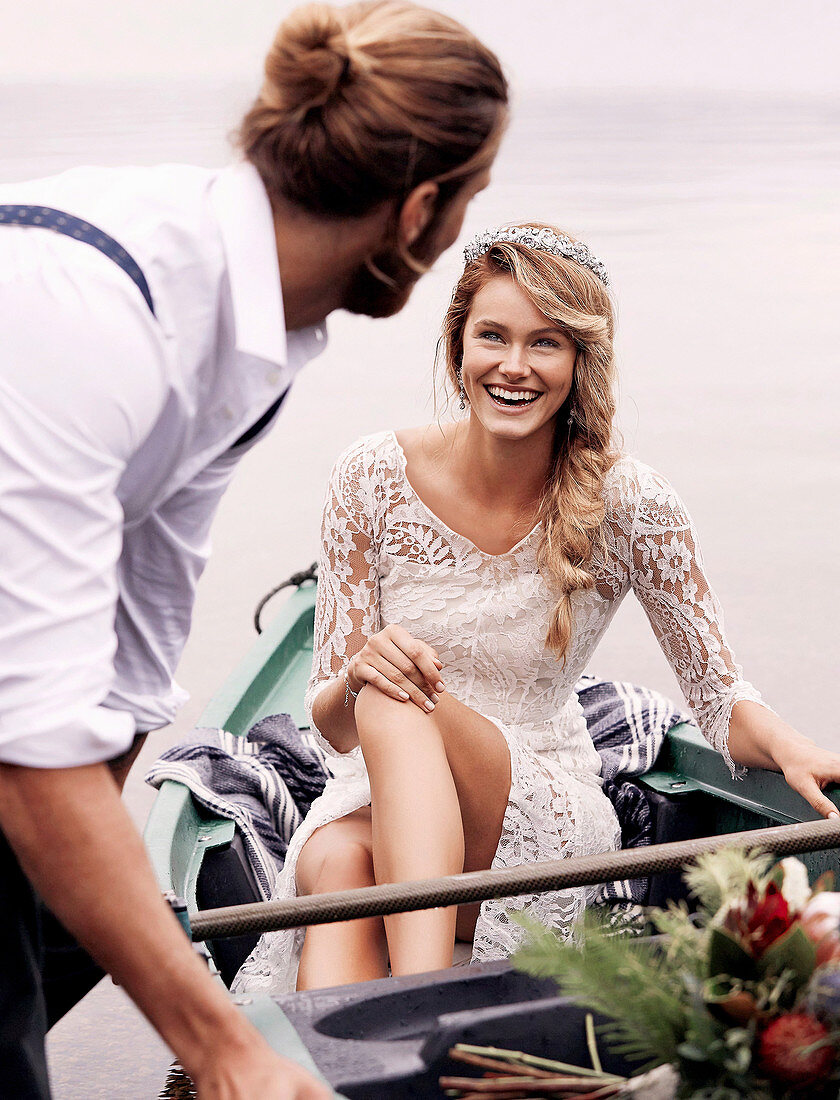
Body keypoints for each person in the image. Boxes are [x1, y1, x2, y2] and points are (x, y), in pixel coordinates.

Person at [0, 2, 508, 1096]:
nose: (457, 231)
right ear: (420, 209)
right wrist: (227, 1047)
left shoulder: (253, 333)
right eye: (467, 205)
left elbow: (132, 663)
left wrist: (88, 887)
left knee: (82, 926)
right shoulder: (88, 308)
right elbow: (31, 743)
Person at [233, 222, 840, 997]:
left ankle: (412, 1002)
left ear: (581, 360)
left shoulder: (631, 502)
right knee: (334, 860)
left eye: (546, 343)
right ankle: (363, 1061)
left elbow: (721, 702)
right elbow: (331, 723)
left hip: (530, 807)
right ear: (458, 348)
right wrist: (355, 674)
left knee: (395, 694)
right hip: (377, 799)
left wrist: (792, 750)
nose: (513, 366)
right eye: (493, 335)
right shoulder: (370, 476)